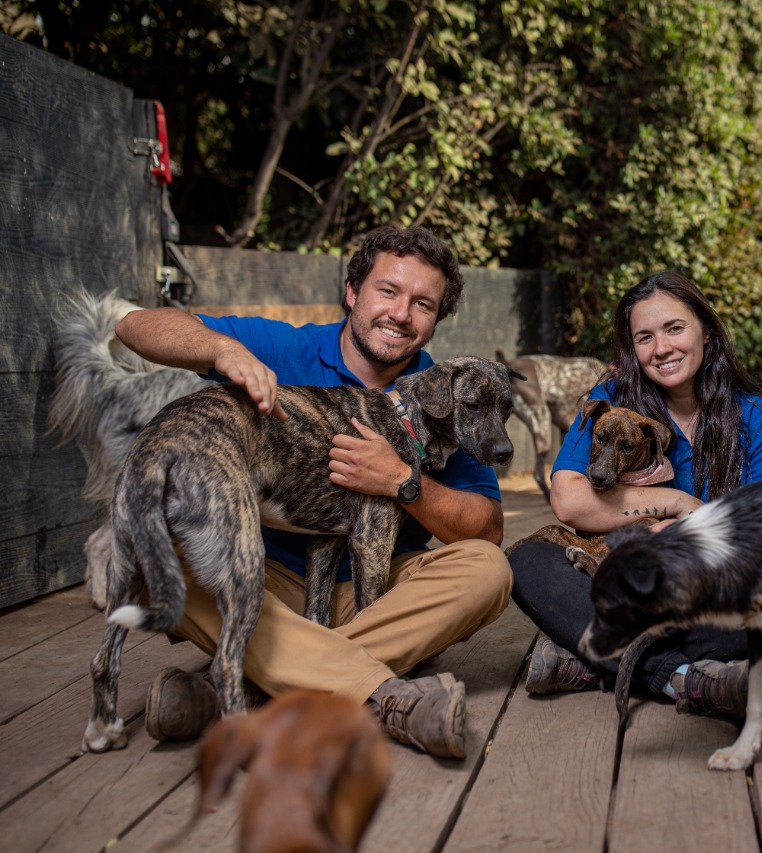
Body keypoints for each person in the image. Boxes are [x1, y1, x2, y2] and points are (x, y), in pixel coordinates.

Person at [113, 225, 511, 759]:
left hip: (378, 598)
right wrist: (220, 349)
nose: (401, 313)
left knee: (488, 570)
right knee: (158, 544)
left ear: (436, 318)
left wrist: (401, 482)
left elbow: (486, 531)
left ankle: (256, 683)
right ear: (353, 292)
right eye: (387, 291)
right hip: (259, 581)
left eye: (423, 303)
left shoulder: (449, 396)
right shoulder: (287, 347)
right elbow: (135, 326)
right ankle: (378, 692)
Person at [507, 269, 762, 717]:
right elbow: (568, 502)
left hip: (708, 591)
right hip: (623, 582)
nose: (661, 348)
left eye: (675, 328)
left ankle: (595, 663)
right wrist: (676, 504)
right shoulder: (610, 402)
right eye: (644, 337)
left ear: (706, 331)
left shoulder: (759, 418)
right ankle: (684, 678)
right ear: (632, 348)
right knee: (528, 562)